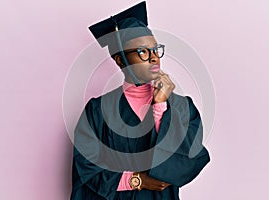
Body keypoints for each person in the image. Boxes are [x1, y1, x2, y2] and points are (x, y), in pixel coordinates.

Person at [70, 2, 210, 200]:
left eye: (155, 50)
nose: (154, 58)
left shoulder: (181, 107)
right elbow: (85, 170)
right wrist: (137, 180)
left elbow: (187, 161)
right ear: (120, 60)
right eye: (142, 52)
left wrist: (160, 107)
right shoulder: (98, 110)